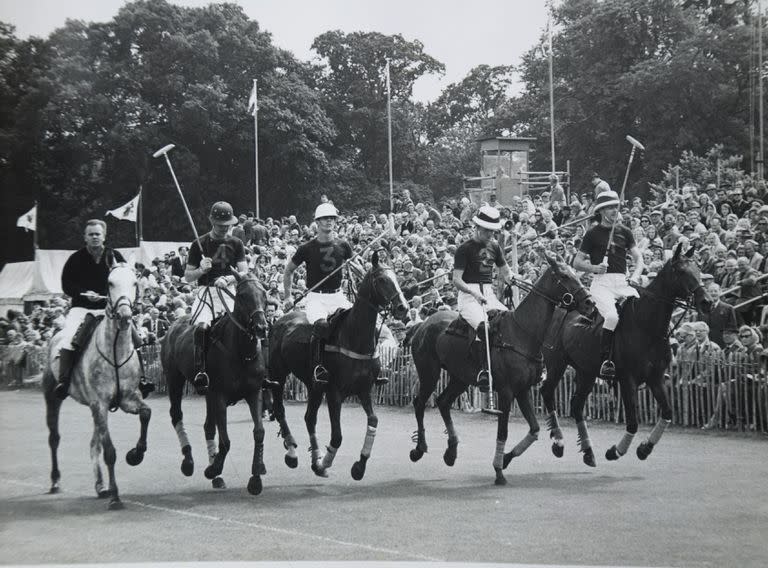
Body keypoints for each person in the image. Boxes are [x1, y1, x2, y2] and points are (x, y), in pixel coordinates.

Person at [53, 220, 154, 399]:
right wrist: (83, 293)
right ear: (85, 237)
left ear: (104, 236)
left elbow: (127, 279)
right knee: (68, 338)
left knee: (135, 337)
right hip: (82, 309)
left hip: (110, 309)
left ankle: (142, 380)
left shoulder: (115, 255)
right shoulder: (75, 259)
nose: (94, 237)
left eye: (97, 234)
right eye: (90, 234)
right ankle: (64, 381)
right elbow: (66, 285)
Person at [574, 190, 644, 379]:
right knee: (612, 316)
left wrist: (636, 275)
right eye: (611, 207)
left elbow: (639, 258)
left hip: (623, 282)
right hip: (602, 284)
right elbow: (577, 262)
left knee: (643, 312)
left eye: (616, 207)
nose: (615, 210)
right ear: (602, 211)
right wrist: (595, 268)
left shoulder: (625, 231)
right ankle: (607, 361)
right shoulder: (592, 234)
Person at [282, 202, 353, 385]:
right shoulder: (306, 248)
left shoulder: (343, 245)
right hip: (316, 297)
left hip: (338, 296)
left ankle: (366, 366)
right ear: (317, 222)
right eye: (324, 219)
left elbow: (353, 265)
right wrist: (288, 296)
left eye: (331, 218)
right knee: (321, 325)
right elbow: (288, 271)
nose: (328, 222)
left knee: (359, 322)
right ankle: (318, 367)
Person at [184, 202, 248, 392]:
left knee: (250, 325)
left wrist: (228, 279)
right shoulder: (198, 244)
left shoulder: (236, 243)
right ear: (212, 221)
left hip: (229, 292)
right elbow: (188, 276)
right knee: (202, 327)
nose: (225, 228)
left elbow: (244, 271)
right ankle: (201, 370)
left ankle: (258, 371)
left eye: (228, 224)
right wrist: (200, 270)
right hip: (206, 292)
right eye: (221, 225)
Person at [453, 205, 514, 391]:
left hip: (488, 294)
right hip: (469, 296)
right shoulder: (464, 249)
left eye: (493, 231)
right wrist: (473, 293)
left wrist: (513, 279)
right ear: (478, 228)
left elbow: (506, 272)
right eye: (487, 230)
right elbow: (456, 280)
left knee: (511, 321)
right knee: (484, 326)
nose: (490, 234)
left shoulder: (495, 246)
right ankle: (483, 370)